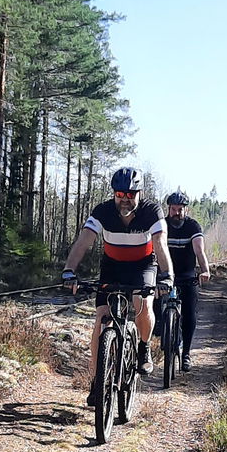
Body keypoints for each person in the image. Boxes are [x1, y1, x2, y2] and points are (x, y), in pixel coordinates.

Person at [62, 167, 174, 399]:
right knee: (101, 318)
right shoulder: (102, 211)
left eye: (130, 194)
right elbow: (83, 242)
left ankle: (143, 347)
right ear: (114, 193)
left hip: (143, 265)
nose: (125, 199)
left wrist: (167, 276)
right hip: (112, 266)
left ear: (139, 193)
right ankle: (97, 381)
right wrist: (69, 271)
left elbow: (160, 244)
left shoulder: (151, 211)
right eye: (120, 194)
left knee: (142, 301)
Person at [161, 191, 210, 370]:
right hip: (165, 275)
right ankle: (163, 338)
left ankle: (186, 353)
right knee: (153, 307)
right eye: (173, 209)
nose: (176, 213)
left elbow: (199, 251)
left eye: (180, 210)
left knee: (189, 314)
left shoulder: (192, 226)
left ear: (186, 210)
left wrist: (205, 270)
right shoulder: (162, 225)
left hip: (187, 275)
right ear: (168, 209)